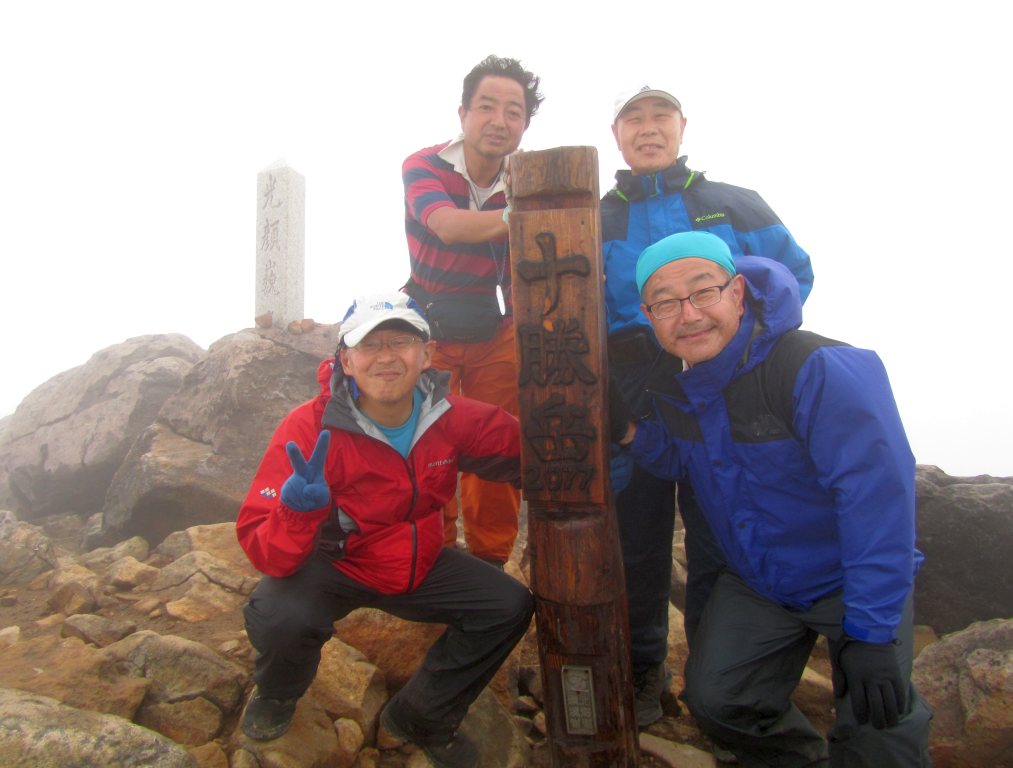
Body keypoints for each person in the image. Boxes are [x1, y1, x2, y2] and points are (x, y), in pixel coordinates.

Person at [608, 231, 932, 766]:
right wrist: (628, 433)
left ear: (737, 292)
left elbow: (878, 505)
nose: (687, 314)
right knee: (717, 701)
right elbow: (689, 461)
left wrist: (872, 633)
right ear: (648, 315)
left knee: (880, 728)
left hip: (849, 579)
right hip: (760, 582)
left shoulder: (817, 367)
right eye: (664, 302)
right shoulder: (678, 383)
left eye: (702, 292)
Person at [237, 292, 534, 768]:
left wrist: (601, 436)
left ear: (427, 354)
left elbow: (532, 452)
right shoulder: (309, 428)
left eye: (401, 340)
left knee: (508, 606)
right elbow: (267, 555)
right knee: (279, 616)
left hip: (417, 561)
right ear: (346, 361)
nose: (386, 356)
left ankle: (420, 716)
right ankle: (276, 693)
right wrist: (295, 514)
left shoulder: (452, 416)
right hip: (334, 563)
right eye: (369, 345)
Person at [600, 84, 815, 726]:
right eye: (632, 118)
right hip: (634, 383)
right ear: (616, 134)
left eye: (659, 115)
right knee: (636, 537)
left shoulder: (731, 203)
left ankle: (716, 681)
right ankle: (643, 671)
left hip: (721, 384)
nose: (647, 127)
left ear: (682, 126)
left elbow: (793, 275)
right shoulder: (594, 214)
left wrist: (756, 355)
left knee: (721, 529)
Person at [401, 55, 543, 568]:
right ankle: (430, 558)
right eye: (487, 106)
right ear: (463, 113)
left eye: (514, 111)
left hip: (497, 328)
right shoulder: (424, 164)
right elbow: (446, 225)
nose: (499, 120)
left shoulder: (528, 176)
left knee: (498, 446)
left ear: (525, 125)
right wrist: (522, 213)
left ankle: (489, 563)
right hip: (428, 327)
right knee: (423, 442)